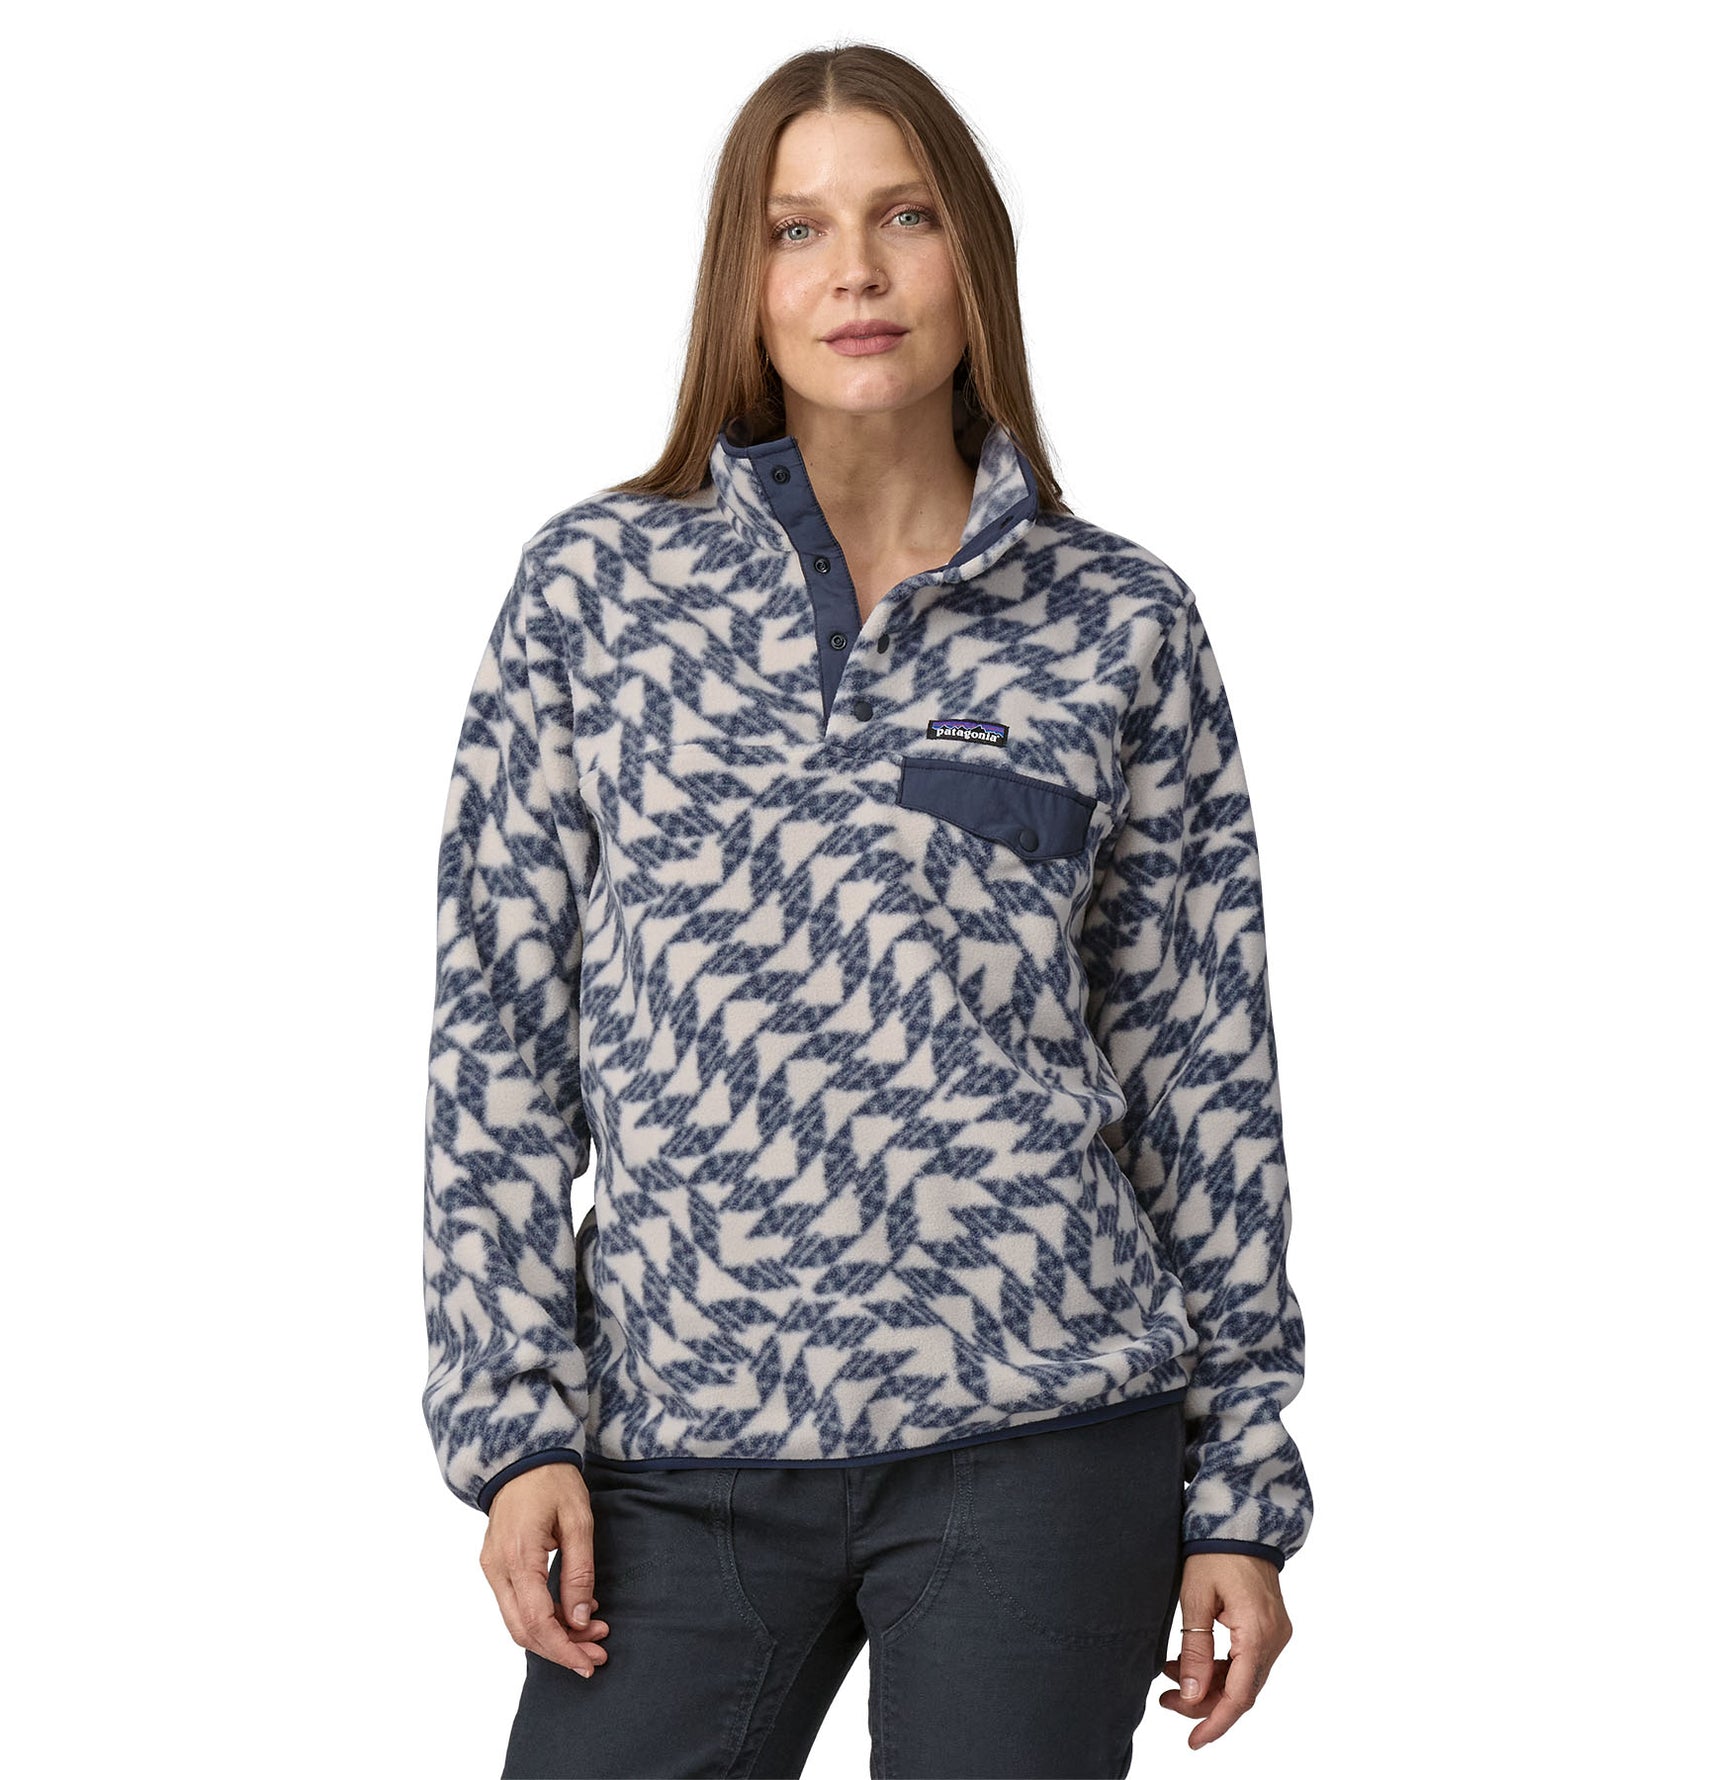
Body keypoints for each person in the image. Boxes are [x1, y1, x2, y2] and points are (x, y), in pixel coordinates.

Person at [421, 41, 1313, 1779]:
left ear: (973, 255)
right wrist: (514, 1424)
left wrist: (1240, 1490)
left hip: (1044, 1428)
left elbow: (1204, 1071)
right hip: (677, 1437)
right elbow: (496, 1040)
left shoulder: (1118, 621)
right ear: (742, 283)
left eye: (904, 217)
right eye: (798, 228)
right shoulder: (594, 593)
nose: (855, 272)